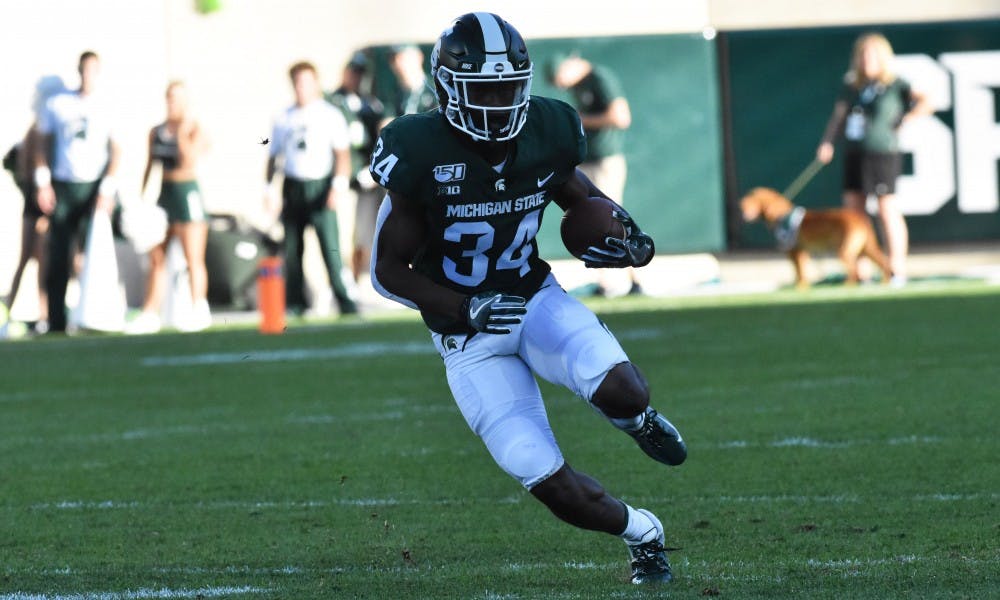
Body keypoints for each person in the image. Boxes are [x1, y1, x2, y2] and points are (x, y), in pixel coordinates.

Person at [370, 13, 686, 584]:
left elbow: (582, 198)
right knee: (538, 471)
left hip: (533, 296)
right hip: (467, 335)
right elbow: (387, 271)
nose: (498, 102)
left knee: (624, 388)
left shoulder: (548, 129)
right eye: (484, 90)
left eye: (509, 87)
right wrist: (464, 308)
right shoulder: (416, 148)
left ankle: (638, 420)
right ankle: (644, 533)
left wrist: (628, 239)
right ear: (448, 89)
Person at [816, 32, 932, 285]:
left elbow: (926, 100)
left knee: (885, 208)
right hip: (854, 152)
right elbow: (839, 116)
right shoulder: (852, 86)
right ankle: (861, 270)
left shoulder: (895, 84)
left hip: (882, 153)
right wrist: (827, 142)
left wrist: (905, 119)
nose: (867, 60)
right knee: (854, 212)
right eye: (863, 55)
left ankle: (896, 267)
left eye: (872, 55)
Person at [34, 51, 121, 333]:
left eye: (93, 70)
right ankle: (57, 319)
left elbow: (117, 150)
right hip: (63, 184)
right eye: (84, 70)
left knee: (92, 253)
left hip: (93, 186)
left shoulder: (107, 106)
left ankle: (93, 316)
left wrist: (107, 188)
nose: (88, 76)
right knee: (58, 254)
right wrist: (43, 181)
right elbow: (42, 144)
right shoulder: (59, 104)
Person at [266, 61, 358, 316]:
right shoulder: (284, 117)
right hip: (293, 185)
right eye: (297, 82)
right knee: (292, 250)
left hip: (320, 184)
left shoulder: (330, 114)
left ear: (316, 83)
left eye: (306, 82)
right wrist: (269, 189)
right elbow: (273, 156)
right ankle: (295, 303)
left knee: (330, 247)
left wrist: (337, 185)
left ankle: (345, 301)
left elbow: (342, 153)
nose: (301, 87)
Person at [548, 52, 641, 296]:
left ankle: (634, 277)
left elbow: (621, 117)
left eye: (560, 79)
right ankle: (605, 281)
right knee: (591, 220)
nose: (561, 86)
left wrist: (581, 120)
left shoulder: (600, 78)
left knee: (610, 218)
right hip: (588, 160)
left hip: (604, 160)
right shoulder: (581, 85)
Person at [126, 81, 211, 334]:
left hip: (187, 194)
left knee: (193, 257)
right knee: (157, 257)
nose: (172, 103)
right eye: (169, 98)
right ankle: (150, 312)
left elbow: (189, 159)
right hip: (166, 194)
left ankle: (199, 308)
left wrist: (182, 133)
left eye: (177, 98)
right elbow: (150, 164)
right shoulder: (156, 131)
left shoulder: (194, 128)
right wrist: (141, 200)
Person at [1, 76, 66, 332]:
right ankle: (23, 312)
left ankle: (43, 313)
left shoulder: (46, 127)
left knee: (41, 258)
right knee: (31, 256)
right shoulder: (36, 130)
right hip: (37, 199)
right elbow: (26, 169)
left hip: (40, 198)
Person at [326, 51, 386, 282]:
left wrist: (372, 167)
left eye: (361, 74)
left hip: (364, 180)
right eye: (353, 72)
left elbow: (378, 139)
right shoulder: (332, 102)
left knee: (363, 234)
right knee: (340, 234)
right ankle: (340, 280)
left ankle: (357, 279)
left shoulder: (371, 104)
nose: (357, 78)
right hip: (340, 180)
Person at [382, 44, 438, 123]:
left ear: (419, 57)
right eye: (392, 59)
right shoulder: (393, 95)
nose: (397, 63)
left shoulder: (436, 90)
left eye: (402, 58)